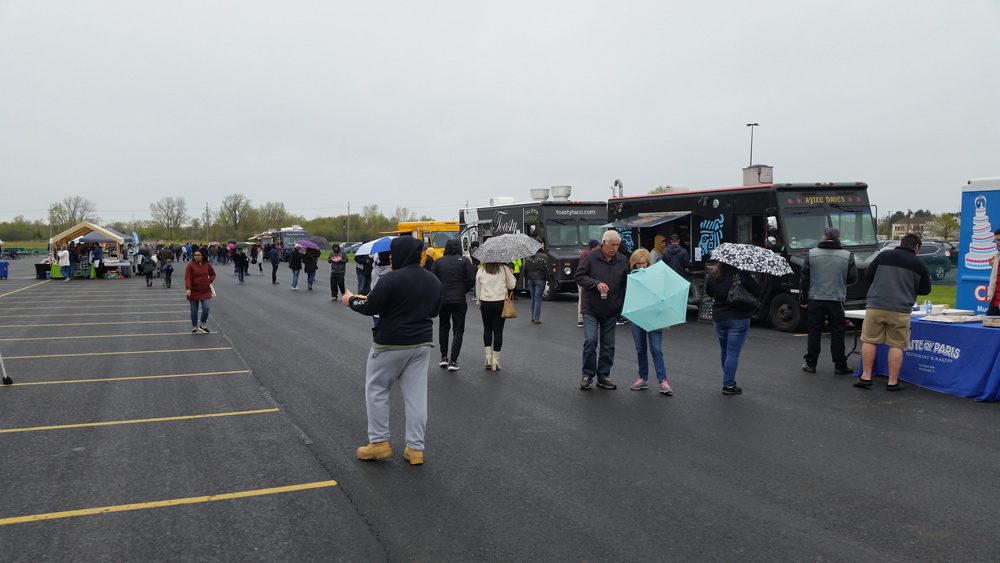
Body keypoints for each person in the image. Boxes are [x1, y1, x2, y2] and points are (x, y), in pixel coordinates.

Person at [342, 237, 442, 466]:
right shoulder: (433, 280)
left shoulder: (391, 279)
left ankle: (378, 443)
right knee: (417, 397)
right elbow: (435, 310)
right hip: (422, 342)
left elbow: (370, 306)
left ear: (398, 254)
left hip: (390, 343)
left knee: (377, 389)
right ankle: (416, 449)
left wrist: (350, 300)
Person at [856, 232, 931, 391]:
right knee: (896, 345)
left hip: (875, 305)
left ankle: (866, 376)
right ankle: (892, 382)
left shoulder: (884, 255)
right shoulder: (919, 263)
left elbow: (868, 275)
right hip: (900, 309)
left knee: (869, 340)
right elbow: (925, 290)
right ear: (916, 247)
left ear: (901, 242)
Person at [800, 227, 858, 375]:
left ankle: (811, 363)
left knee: (814, 331)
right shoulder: (847, 255)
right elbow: (852, 279)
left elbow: (804, 279)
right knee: (837, 332)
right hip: (836, 298)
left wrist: (803, 298)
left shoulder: (811, 254)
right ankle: (840, 364)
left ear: (824, 237)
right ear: (839, 238)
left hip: (815, 298)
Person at [705, 261, 761, 395]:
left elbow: (709, 292)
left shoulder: (713, 276)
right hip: (738, 317)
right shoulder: (741, 275)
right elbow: (757, 291)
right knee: (733, 352)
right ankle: (728, 384)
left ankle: (728, 379)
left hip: (719, 317)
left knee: (725, 350)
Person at [627, 249, 673, 395]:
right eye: (638, 264)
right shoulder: (632, 277)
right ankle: (642, 378)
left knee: (656, 350)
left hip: (653, 316)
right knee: (640, 349)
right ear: (633, 265)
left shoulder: (655, 276)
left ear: (648, 262)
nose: (641, 266)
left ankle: (663, 380)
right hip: (637, 316)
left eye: (643, 263)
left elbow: (662, 294)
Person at [431, 238, 476, 371]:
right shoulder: (465, 261)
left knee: (443, 327)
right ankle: (453, 360)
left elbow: (432, 280)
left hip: (443, 300)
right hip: (459, 299)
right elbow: (471, 279)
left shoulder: (438, 262)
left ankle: (443, 357)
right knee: (458, 329)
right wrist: (464, 289)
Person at [476, 259, 516, 371]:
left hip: (485, 302)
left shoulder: (481, 271)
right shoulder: (504, 269)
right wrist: (511, 274)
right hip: (499, 303)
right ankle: (495, 361)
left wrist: (479, 301)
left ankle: (488, 358)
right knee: (498, 331)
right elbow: (512, 285)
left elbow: (478, 289)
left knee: (487, 329)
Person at [185, 248, 216, 333]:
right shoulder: (190, 265)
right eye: (195, 255)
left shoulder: (207, 264)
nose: (196, 256)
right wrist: (188, 288)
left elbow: (213, 274)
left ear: (202, 256)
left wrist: (209, 281)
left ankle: (202, 324)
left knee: (206, 308)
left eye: (198, 255)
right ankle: (194, 326)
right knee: (194, 311)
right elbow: (187, 278)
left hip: (205, 290)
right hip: (193, 291)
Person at [577, 239, 599, 327]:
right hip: (586, 279)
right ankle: (583, 319)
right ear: (594, 246)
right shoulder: (590, 255)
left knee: (581, 298)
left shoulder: (584, 253)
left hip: (581, 278)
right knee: (585, 298)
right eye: (598, 246)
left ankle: (580, 319)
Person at [523, 248, 548, 324]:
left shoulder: (528, 257)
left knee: (533, 298)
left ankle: (533, 317)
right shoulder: (544, 256)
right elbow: (547, 269)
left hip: (530, 279)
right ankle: (536, 318)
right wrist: (548, 278)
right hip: (540, 278)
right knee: (538, 298)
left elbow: (525, 270)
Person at [984, 229, 1000, 315]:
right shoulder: (997, 256)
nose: (997, 242)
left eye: (999, 240)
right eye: (996, 240)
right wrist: (990, 295)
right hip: (994, 303)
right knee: (986, 326)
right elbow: (994, 277)